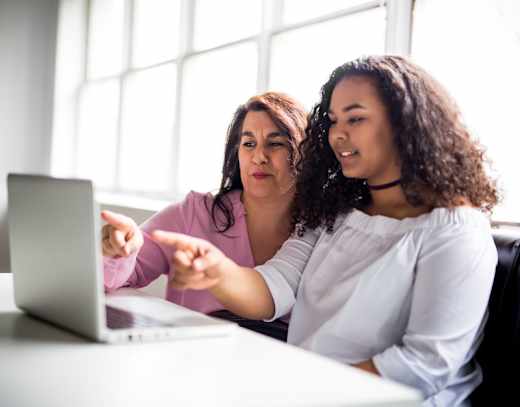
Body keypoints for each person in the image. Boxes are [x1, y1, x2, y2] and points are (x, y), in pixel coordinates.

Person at [150, 56, 499, 406]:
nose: (338, 135)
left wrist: (302, 391)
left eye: (356, 118)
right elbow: (275, 287)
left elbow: (424, 366)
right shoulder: (335, 213)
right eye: (333, 121)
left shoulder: (455, 232)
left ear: (405, 124)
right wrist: (218, 271)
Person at [102, 91, 307, 341]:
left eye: (275, 143)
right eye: (249, 144)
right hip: (189, 362)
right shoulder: (194, 214)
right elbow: (110, 278)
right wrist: (119, 249)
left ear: (304, 153)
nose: (259, 157)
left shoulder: (322, 232)